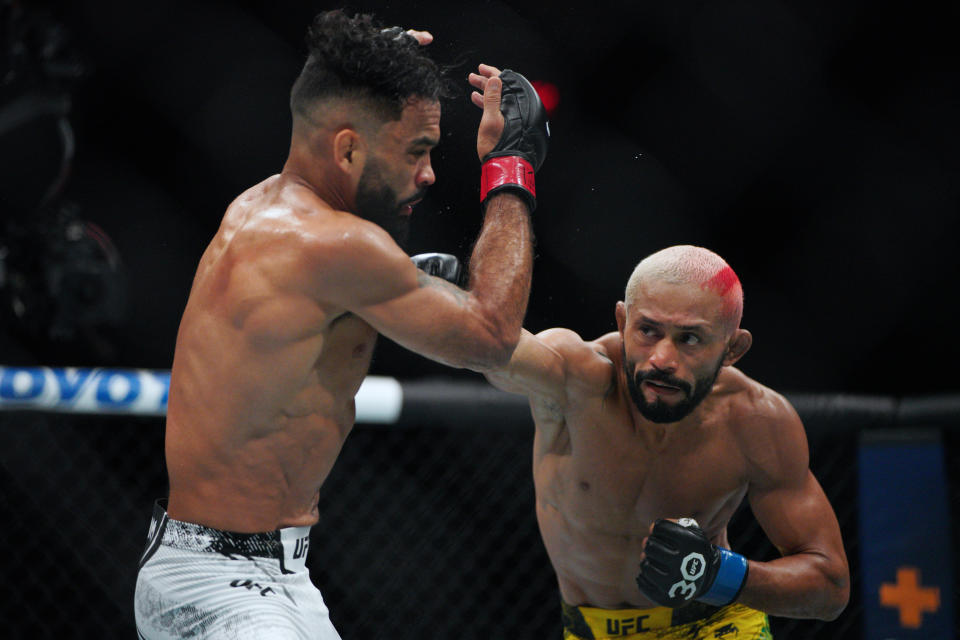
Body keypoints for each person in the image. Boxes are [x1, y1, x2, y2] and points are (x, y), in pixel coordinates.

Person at [134, 10, 549, 640]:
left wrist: (347, 69)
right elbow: (492, 336)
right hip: (219, 590)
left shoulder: (261, 206)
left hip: (269, 576)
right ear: (349, 147)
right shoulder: (335, 246)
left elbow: (317, 102)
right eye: (416, 151)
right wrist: (511, 167)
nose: (430, 174)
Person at [482, 245, 849, 639]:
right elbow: (489, 353)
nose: (662, 358)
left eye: (690, 338)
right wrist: (447, 299)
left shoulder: (756, 420)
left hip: (715, 625)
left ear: (733, 349)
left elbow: (829, 588)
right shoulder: (575, 376)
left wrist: (715, 574)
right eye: (647, 330)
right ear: (623, 321)